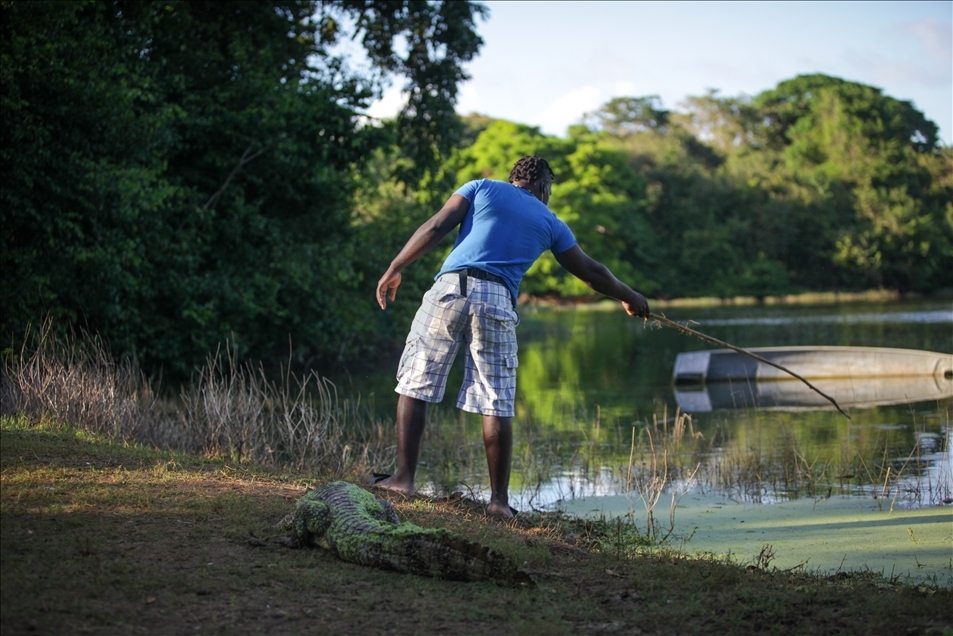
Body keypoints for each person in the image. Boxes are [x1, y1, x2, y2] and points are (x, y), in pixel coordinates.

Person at [374, 155, 649, 518]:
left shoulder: (479, 188)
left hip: (449, 289)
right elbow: (592, 273)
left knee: (415, 383)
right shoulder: (552, 223)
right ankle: (499, 504)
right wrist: (631, 296)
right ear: (542, 185)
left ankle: (403, 480)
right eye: (550, 188)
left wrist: (396, 267)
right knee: (495, 399)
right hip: (497, 300)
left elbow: (437, 225)